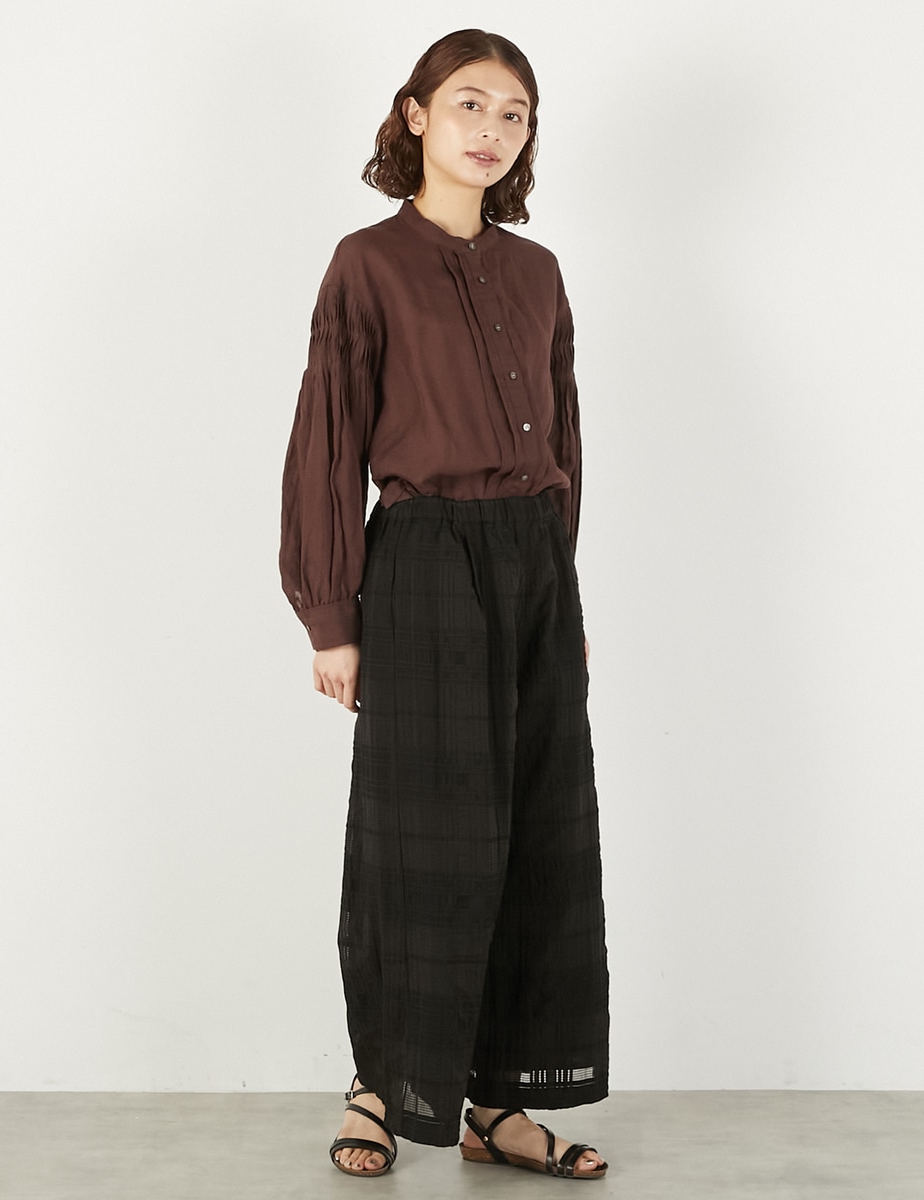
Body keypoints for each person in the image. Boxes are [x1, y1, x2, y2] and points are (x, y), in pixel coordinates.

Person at [280, 28, 610, 1181]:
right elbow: (327, 439)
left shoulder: (539, 272)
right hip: (422, 559)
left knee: (537, 833)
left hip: (533, 566)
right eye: (470, 103)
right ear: (417, 114)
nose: (492, 129)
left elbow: (565, 438)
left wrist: (557, 588)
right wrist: (332, 616)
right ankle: (382, 1084)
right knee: (416, 837)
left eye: (515, 114)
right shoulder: (366, 264)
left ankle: (499, 1103)